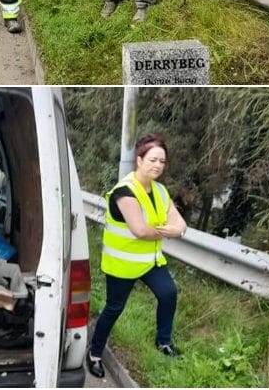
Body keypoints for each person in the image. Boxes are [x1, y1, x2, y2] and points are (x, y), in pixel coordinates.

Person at [85, 134, 188, 379]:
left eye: (162, 161)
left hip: (149, 262)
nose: (158, 165)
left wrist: (177, 229)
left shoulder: (160, 191)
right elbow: (140, 230)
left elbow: (180, 223)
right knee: (114, 308)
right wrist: (170, 232)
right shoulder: (124, 192)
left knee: (168, 293)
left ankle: (163, 342)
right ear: (139, 160)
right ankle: (95, 353)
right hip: (122, 264)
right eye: (153, 160)